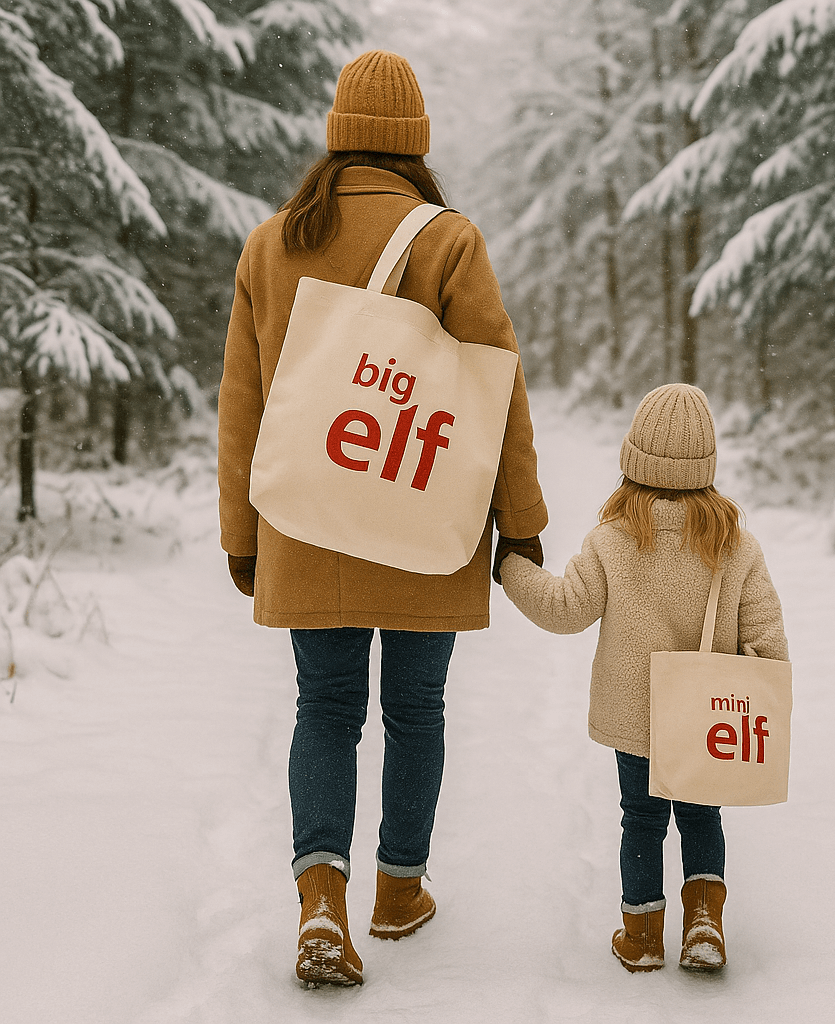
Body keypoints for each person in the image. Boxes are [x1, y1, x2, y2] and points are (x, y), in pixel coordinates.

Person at [217, 50, 548, 987]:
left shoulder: (271, 243)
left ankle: (321, 897)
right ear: (414, 142)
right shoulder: (447, 240)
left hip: (306, 516)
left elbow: (241, 404)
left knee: (324, 708)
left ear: (334, 135)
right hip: (420, 515)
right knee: (415, 710)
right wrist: (520, 520)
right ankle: (399, 891)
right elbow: (497, 394)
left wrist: (242, 531)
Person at [498, 383, 787, 973]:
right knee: (702, 815)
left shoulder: (614, 541)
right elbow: (768, 643)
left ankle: (642, 935)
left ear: (634, 461)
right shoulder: (737, 546)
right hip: (710, 722)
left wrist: (511, 568)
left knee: (643, 820)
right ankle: (704, 925)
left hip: (636, 719)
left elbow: (563, 609)